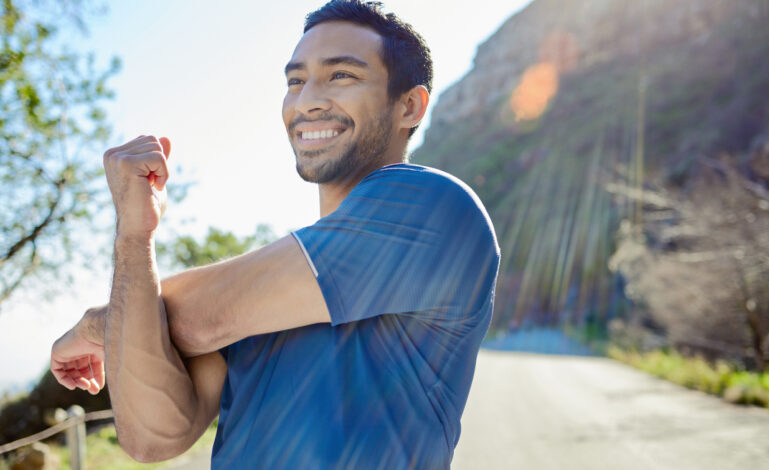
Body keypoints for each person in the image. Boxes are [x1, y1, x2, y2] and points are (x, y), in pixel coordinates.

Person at [49, 1, 499, 468]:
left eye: (341, 75)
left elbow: (199, 319)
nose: (307, 101)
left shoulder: (432, 206)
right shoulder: (263, 291)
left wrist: (94, 327)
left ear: (409, 105)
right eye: (296, 81)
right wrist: (133, 235)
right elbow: (153, 437)